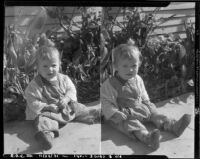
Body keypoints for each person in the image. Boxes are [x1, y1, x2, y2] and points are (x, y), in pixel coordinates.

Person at [100, 39, 191, 150]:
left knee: (155, 113)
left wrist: (146, 101)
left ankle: (172, 125)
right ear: (116, 66)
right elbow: (106, 101)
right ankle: (146, 137)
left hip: (139, 108)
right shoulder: (110, 84)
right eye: (125, 66)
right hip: (124, 113)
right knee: (131, 124)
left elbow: (142, 92)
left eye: (134, 65)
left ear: (139, 64)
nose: (130, 69)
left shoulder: (137, 78)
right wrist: (114, 113)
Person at [25, 35, 100, 150]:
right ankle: (46, 136)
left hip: (66, 107)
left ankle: (97, 114)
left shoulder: (63, 79)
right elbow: (32, 100)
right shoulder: (35, 84)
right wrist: (48, 107)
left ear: (59, 65)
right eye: (45, 66)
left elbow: (71, 89)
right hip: (49, 112)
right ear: (38, 68)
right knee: (44, 122)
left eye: (53, 65)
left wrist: (66, 99)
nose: (50, 69)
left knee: (80, 108)